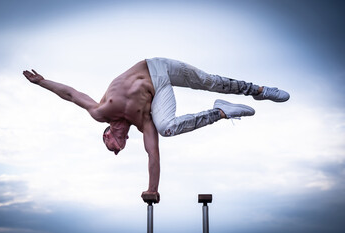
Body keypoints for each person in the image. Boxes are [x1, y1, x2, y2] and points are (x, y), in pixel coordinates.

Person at [23, 57, 289, 203]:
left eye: (116, 144)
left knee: (207, 80)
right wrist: (152, 189)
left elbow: (71, 94)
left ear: (107, 134)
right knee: (167, 129)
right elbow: (153, 157)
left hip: (156, 68)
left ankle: (259, 91)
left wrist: (42, 82)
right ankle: (220, 111)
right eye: (124, 143)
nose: (122, 143)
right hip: (158, 90)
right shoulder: (144, 122)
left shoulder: (100, 111)